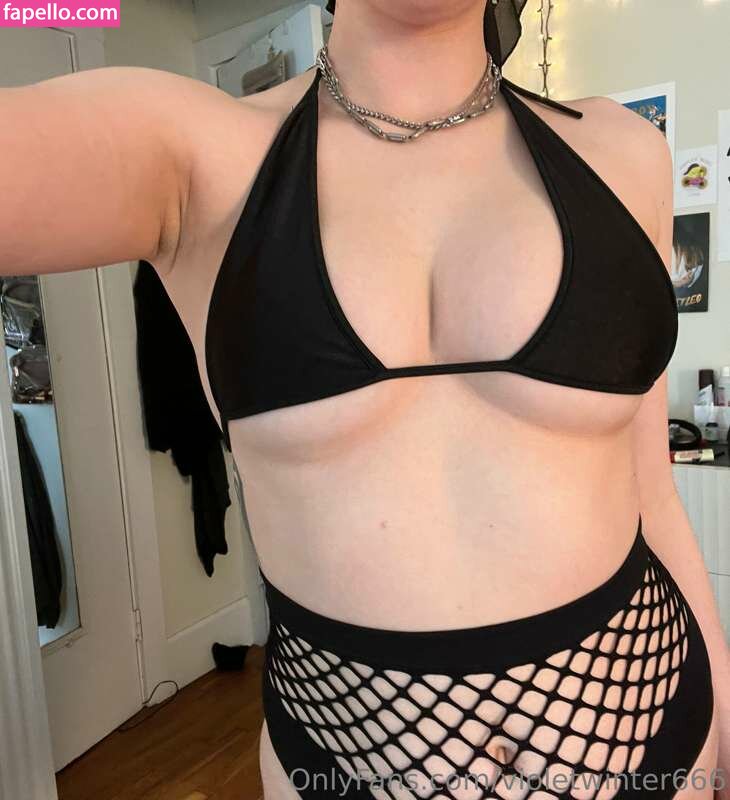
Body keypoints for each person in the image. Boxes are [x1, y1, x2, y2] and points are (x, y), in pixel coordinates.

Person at [2, 2, 728, 798]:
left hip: (658, 741)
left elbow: (651, 492)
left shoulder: (624, 152)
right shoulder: (192, 154)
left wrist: (726, 714)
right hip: (339, 767)